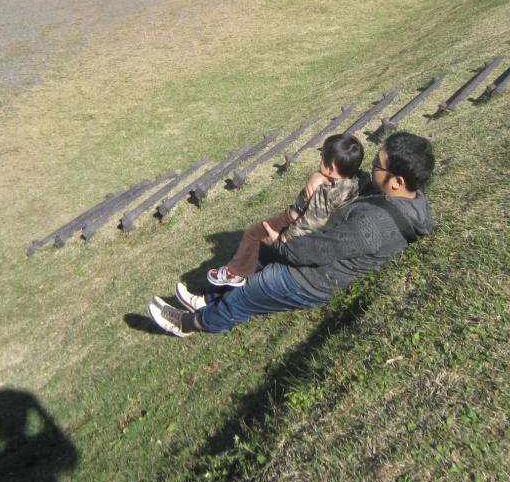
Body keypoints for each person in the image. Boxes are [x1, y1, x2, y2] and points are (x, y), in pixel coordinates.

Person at [148, 132, 435, 337]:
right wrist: (322, 176)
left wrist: (279, 242)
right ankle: (209, 299)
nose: (370, 169)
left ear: (397, 181)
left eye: (376, 165)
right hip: (313, 253)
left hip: (312, 279)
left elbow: (315, 250)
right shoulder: (400, 196)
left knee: (249, 292)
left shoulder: (372, 225)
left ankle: (191, 323)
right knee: (257, 254)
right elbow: (354, 180)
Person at [206, 133, 364, 288]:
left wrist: (286, 238)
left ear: (330, 168)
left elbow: (312, 221)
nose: (320, 158)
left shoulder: (325, 191)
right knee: (261, 246)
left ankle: (234, 273)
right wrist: (319, 175)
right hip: (299, 217)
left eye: (322, 157)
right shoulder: (354, 180)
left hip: (291, 219)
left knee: (252, 234)